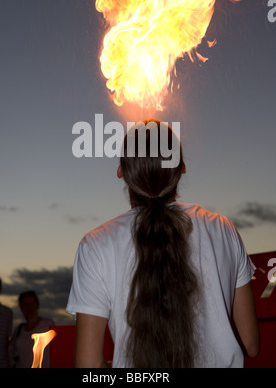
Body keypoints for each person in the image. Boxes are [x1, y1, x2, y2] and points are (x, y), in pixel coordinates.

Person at [66, 120, 259, 368]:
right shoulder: (223, 228)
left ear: (121, 171)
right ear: (182, 168)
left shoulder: (95, 245)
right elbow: (250, 344)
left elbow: (88, 365)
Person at [11, 290, 54, 368]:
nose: (28, 307)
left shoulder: (47, 324)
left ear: (37, 305)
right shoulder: (18, 330)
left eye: (31, 303)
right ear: (21, 307)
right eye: (25, 304)